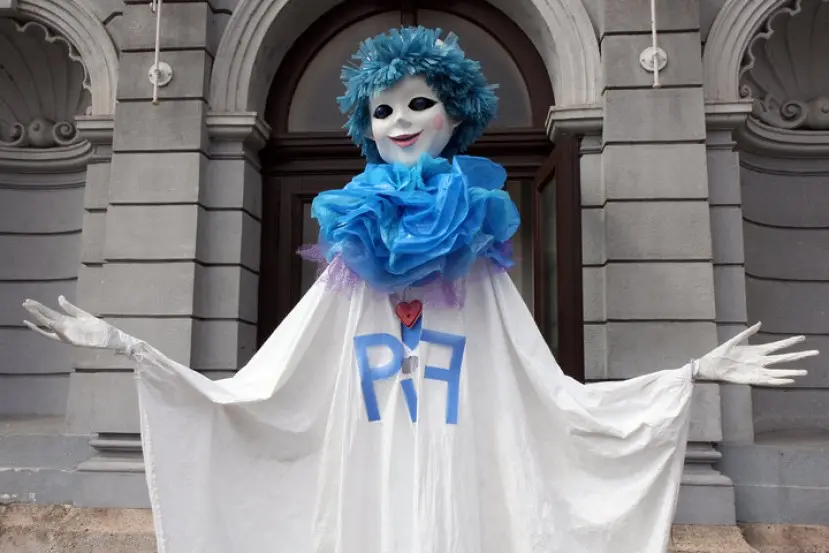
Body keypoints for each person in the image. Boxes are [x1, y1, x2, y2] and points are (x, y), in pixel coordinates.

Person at [23, 27, 817, 553]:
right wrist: (129, 348)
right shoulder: (351, 255)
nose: (399, 120)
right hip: (368, 472)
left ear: (453, 115)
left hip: (454, 469)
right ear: (365, 126)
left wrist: (688, 375)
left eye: (417, 103)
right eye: (382, 109)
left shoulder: (477, 260)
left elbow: (547, 392)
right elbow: (265, 386)